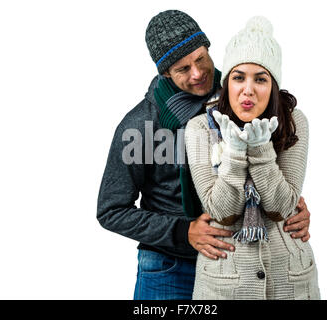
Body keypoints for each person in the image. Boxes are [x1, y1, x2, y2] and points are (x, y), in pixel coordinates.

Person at [97, 10, 312, 300]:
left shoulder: (244, 97)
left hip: (239, 259)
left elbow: (270, 174)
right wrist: (183, 232)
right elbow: (111, 210)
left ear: (209, 49)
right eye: (182, 68)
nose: (197, 73)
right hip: (169, 267)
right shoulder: (141, 126)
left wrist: (291, 209)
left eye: (200, 59)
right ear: (164, 73)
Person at [185, 16, 320, 299]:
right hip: (223, 283)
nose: (248, 89)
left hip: (290, 281)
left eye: (260, 79)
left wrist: (260, 150)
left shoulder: (294, 121)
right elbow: (222, 212)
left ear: (273, 85)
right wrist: (234, 153)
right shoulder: (200, 128)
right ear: (227, 83)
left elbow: (281, 207)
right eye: (238, 77)